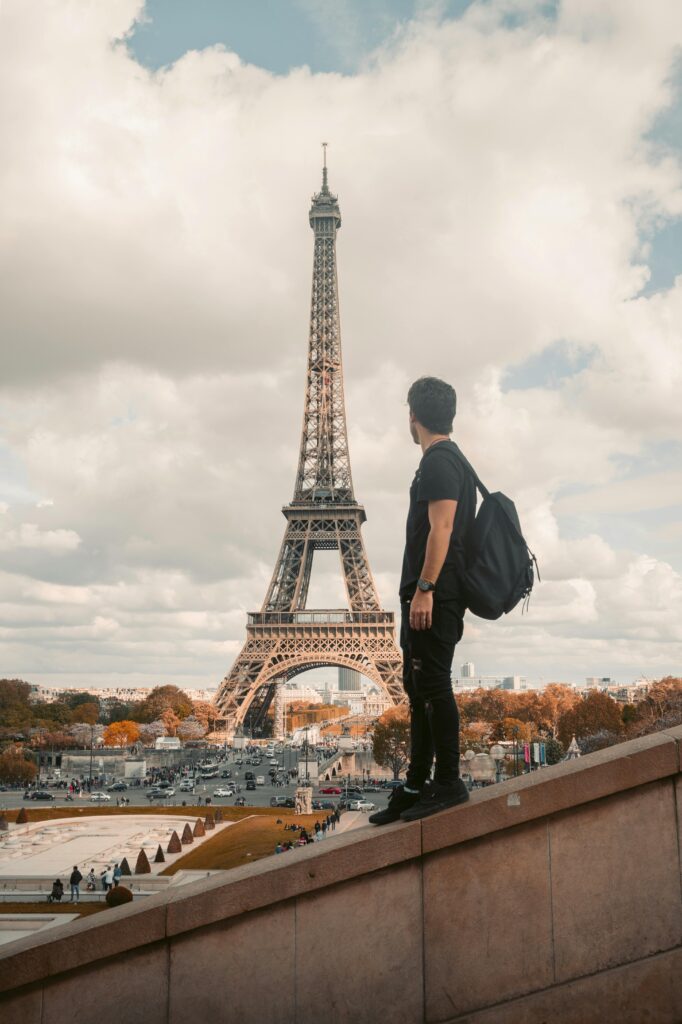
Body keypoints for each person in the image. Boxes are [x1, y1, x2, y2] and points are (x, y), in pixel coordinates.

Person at [370, 377, 474, 826]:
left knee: (433, 687)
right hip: (426, 594)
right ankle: (416, 784)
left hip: (434, 595)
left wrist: (425, 588)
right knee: (419, 693)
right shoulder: (443, 461)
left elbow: (442, 529)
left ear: (414, 415)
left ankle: (448, 782)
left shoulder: (440, 462)